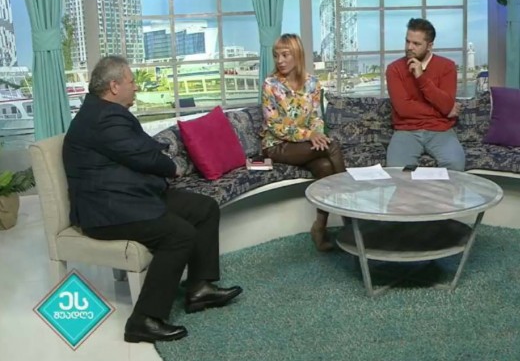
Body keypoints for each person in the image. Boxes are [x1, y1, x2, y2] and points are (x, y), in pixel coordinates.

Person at [63, 56, 242, 343]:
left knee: (204, 208)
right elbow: (143, 156)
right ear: (114, 86)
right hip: (107, 211)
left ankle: (199, 288)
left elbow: (141, 147)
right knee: (179, 235)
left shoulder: (104, 111)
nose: (135, 87)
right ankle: (144, 319)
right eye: (131, 81)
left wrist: (158, 156)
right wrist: (173, 167)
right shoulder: (104, 118)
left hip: (128, 197)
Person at [261, 33, 345, 252]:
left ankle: (319, 227)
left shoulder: (312, 83)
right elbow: (274, 125)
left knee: (325, 167)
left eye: (285, 55)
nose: (280, 60)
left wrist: (317, 133)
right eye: (276, 55)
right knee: (333, 146)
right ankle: (351, 213)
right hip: (277, 146)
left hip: (304, 146)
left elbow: (316, 117)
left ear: (297, 55)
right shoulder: (270, 85)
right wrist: (309, 135)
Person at [385, 18, 465, 171]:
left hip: (440, 130)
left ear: (430, 45)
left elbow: (446, 103)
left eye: (416, 44)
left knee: (455, 164)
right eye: (407, 41)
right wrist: (443, 111)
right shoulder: (394, 69)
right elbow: (403, 109)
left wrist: (421, 77)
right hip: (406, 131)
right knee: (396, 170)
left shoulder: (447, 67)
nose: (409, 47)